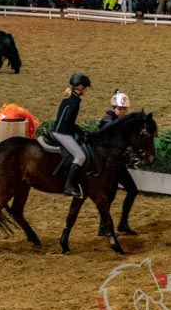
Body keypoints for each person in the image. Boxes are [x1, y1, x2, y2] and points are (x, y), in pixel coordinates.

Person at [98, 90, 138, 235]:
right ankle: (106, 226)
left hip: (117, 164)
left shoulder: (118, 121)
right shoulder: (107, 121)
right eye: (120, 109)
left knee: (131, 191)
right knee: (111, 196)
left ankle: (121, 223)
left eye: (124, 109)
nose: (122, 112)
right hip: (109, 166)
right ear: (113, 107)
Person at [51, 72, 91, 198]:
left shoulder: (70, 98)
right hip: (62, 133)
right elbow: (68, 122)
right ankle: (69, 186)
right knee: (80, 156)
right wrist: (79, 131)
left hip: (61, 129)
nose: (85, 90)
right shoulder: (74, 101)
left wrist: (79, 130)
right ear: (80, 87)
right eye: (85, 88)